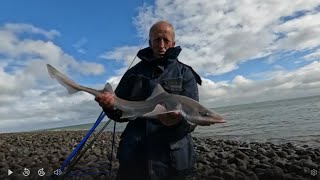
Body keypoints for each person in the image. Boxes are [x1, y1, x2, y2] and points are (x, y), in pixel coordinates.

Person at [95, 21, 202, 180]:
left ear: (173, 43)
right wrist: (109, 106)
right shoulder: (133, 74)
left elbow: (192, 120)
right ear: (150, 42)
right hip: (135, 155)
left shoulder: (185, 73)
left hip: (172, 158)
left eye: (166, 40)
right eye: (157, 40)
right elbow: (119, 112)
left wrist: (177, 123)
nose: (161, 45)